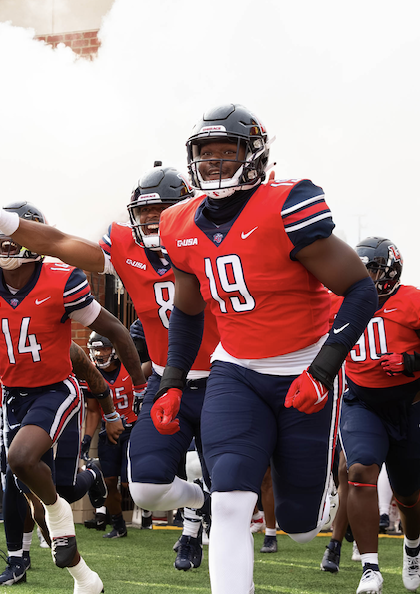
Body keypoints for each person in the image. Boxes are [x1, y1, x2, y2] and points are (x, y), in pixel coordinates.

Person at [157, 104, 378, 594]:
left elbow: (361, 290)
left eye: (226, 152)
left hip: (304, 363)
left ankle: (312, 497)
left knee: (300, 526)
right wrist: (172, 381)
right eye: (205, 154)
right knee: (230, 500)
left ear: (254, 155)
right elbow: (189, 313)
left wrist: (321, 371)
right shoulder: (177, 224)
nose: (213, 164)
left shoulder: (288, 204)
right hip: (235, 369)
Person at [0, 164, 217, 572]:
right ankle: (20, 556)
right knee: (30, 474)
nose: (152, 220)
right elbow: (61, 242)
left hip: (218, 371)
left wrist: (122, 395)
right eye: (144, 211)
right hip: (156, 379)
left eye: (162, 210)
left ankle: (191, 527)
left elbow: (102, 339)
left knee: (236, 485)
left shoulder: (212, 239)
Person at [0, 200, 144, 594]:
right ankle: (84, 578)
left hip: (57, 390)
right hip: (13, 397)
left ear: (31, 238)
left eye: (10, 233)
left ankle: (62, 512)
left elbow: (117, 331)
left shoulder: (60, 279)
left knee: (26, 465)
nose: (2, 240)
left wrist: (142, 387)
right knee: (32, 480)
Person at [331, 237, 420, 593]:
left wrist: (414, 361)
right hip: (361, 403)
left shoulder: (414, 302)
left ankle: (412, 546)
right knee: (359, 472)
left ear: (389, 270)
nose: (361, 275)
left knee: (407, 494)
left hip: (410, 407)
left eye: (369, 269)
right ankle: (370, 568)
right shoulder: (336, 301)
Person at [80, 331, 138, 539]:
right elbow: (94, 410)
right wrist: (86, 439)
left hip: (132, 429)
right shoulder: (91, 373)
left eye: (103, 348)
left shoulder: (131, 368)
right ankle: (118, 525)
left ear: (114, 348)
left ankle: (145, 513)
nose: (99, 353)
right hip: (108, 433)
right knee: (110, 482)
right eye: (95, 349)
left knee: (127, 483)